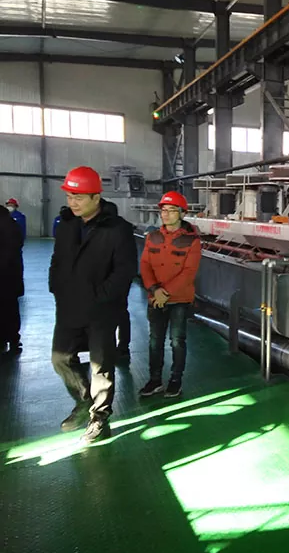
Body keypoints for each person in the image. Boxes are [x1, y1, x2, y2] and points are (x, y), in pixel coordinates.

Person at [49, 166, 138, 444]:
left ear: (96, 197)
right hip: (68, 306)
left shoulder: (118, 229)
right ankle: (84, 398)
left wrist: (100, 298)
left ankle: (99, 419)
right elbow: (57, 260)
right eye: (69, 196)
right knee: (60, 358)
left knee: (101, 367)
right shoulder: (66, 225)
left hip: (101, 311)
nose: (72, 203)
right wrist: (57, 288)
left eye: (78, 197)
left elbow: (124, 272)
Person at [138, 191, 201, 398]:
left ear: (182, 213)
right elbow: (145, 265)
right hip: (155, 296)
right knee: (155, 341)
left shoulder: (191, 241)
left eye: (171, 210)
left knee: (177, 341)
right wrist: (154, 290)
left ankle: (175, 381)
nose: (165, 214)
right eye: (163, 210)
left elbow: (189, 272)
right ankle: (155, 380)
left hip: (179, 299)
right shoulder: (152, 237)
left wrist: (165, 293)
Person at [0, 206, 23, 356]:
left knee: (6, 308)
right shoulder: (13, 225)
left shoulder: (5, 227)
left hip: (5, 276)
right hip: (12, 277)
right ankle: (13, 338)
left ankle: (7, 337)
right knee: (11, 308)